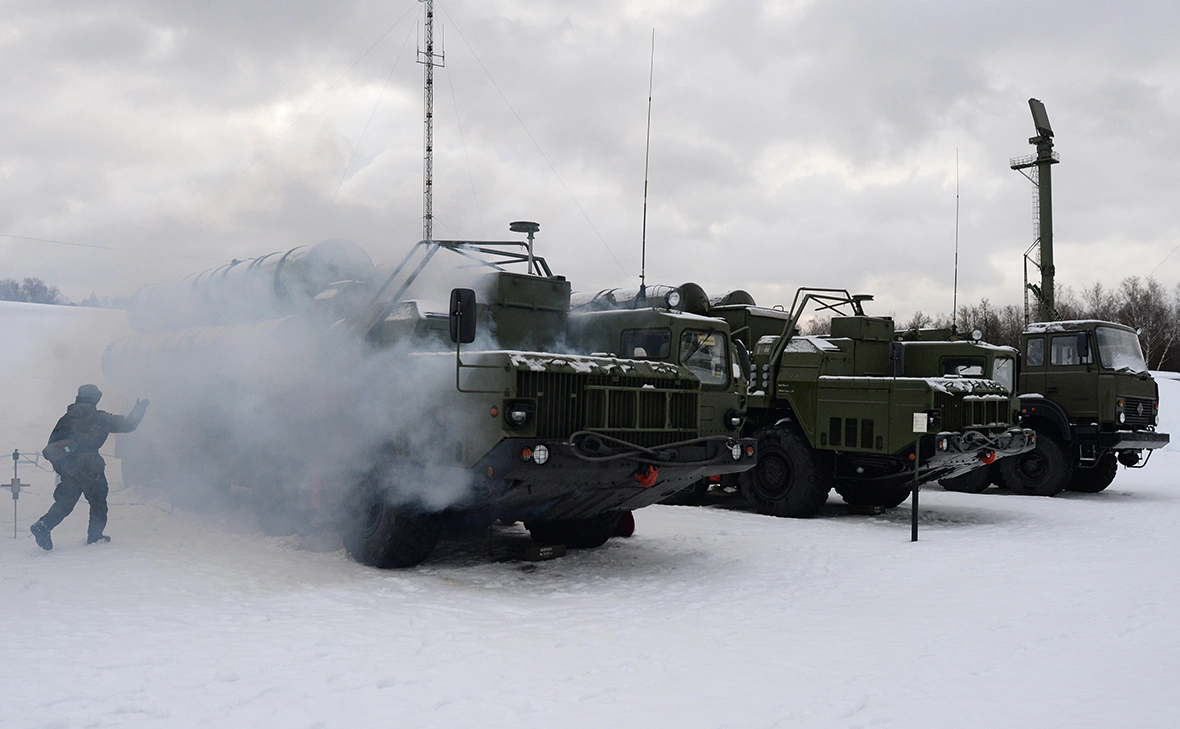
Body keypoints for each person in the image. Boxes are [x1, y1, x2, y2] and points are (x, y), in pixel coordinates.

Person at [29, 385, 149, 551]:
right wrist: (139, 408)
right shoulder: (100, 418)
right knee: (98, 502)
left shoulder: (65, 419)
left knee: (65, 502)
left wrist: (62, 467)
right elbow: (128, 425)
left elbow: (52, 445)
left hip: (69, 467)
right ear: (95, 399)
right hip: (90, 467)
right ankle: (95, 537)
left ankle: (44, 525)